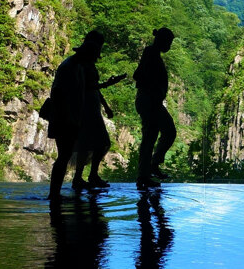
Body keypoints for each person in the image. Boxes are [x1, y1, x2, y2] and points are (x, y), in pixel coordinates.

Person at [42, 31, 103, 203]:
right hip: (64, 118)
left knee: (65, 155)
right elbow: (58, 93)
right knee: (63, 156)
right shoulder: (69, 67)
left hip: (70, 118)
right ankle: (53, 194)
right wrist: (68, 117)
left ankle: (55, 193)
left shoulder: (75, 66)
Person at [72, 37, 126, 192]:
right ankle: (88, 176)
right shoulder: (82, 66)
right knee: (99, 142)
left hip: (92, 106)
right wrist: (108, 84)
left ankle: (83, 177)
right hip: (87, 107)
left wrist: (106, 106)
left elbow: (94, 88)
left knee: (90, 143)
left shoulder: (86, 65)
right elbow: (89, 87)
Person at [134, 27, 176, 188]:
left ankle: (150, 168)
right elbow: (138, 75)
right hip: (149, 101)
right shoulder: (150, 53)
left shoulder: (153, 54)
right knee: (152, 137)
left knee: (160, 134)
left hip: (152, 101)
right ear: (162, 40)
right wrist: (154, 88)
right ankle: (145, 173)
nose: (170, 46)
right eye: (169, 42)